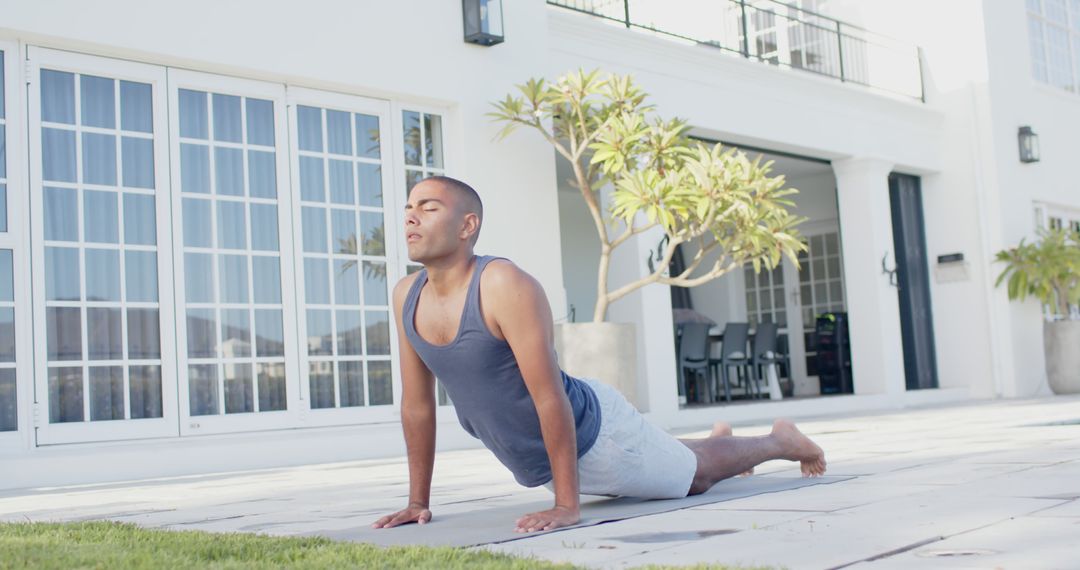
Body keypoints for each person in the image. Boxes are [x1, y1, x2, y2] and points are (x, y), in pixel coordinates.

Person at [372, 176, 826, 534]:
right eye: (408, 208)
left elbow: (549, 396)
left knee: (697, 479)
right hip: (556, 456)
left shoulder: (502, 284)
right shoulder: (406, 294)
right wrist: (418, 502)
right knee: (672, 462)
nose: (411, 218)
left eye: (428, 208)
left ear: (468, 225)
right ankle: (712, 443)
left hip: (594, 436)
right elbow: (417, 405)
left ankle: (780, 441)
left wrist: (568, 506)